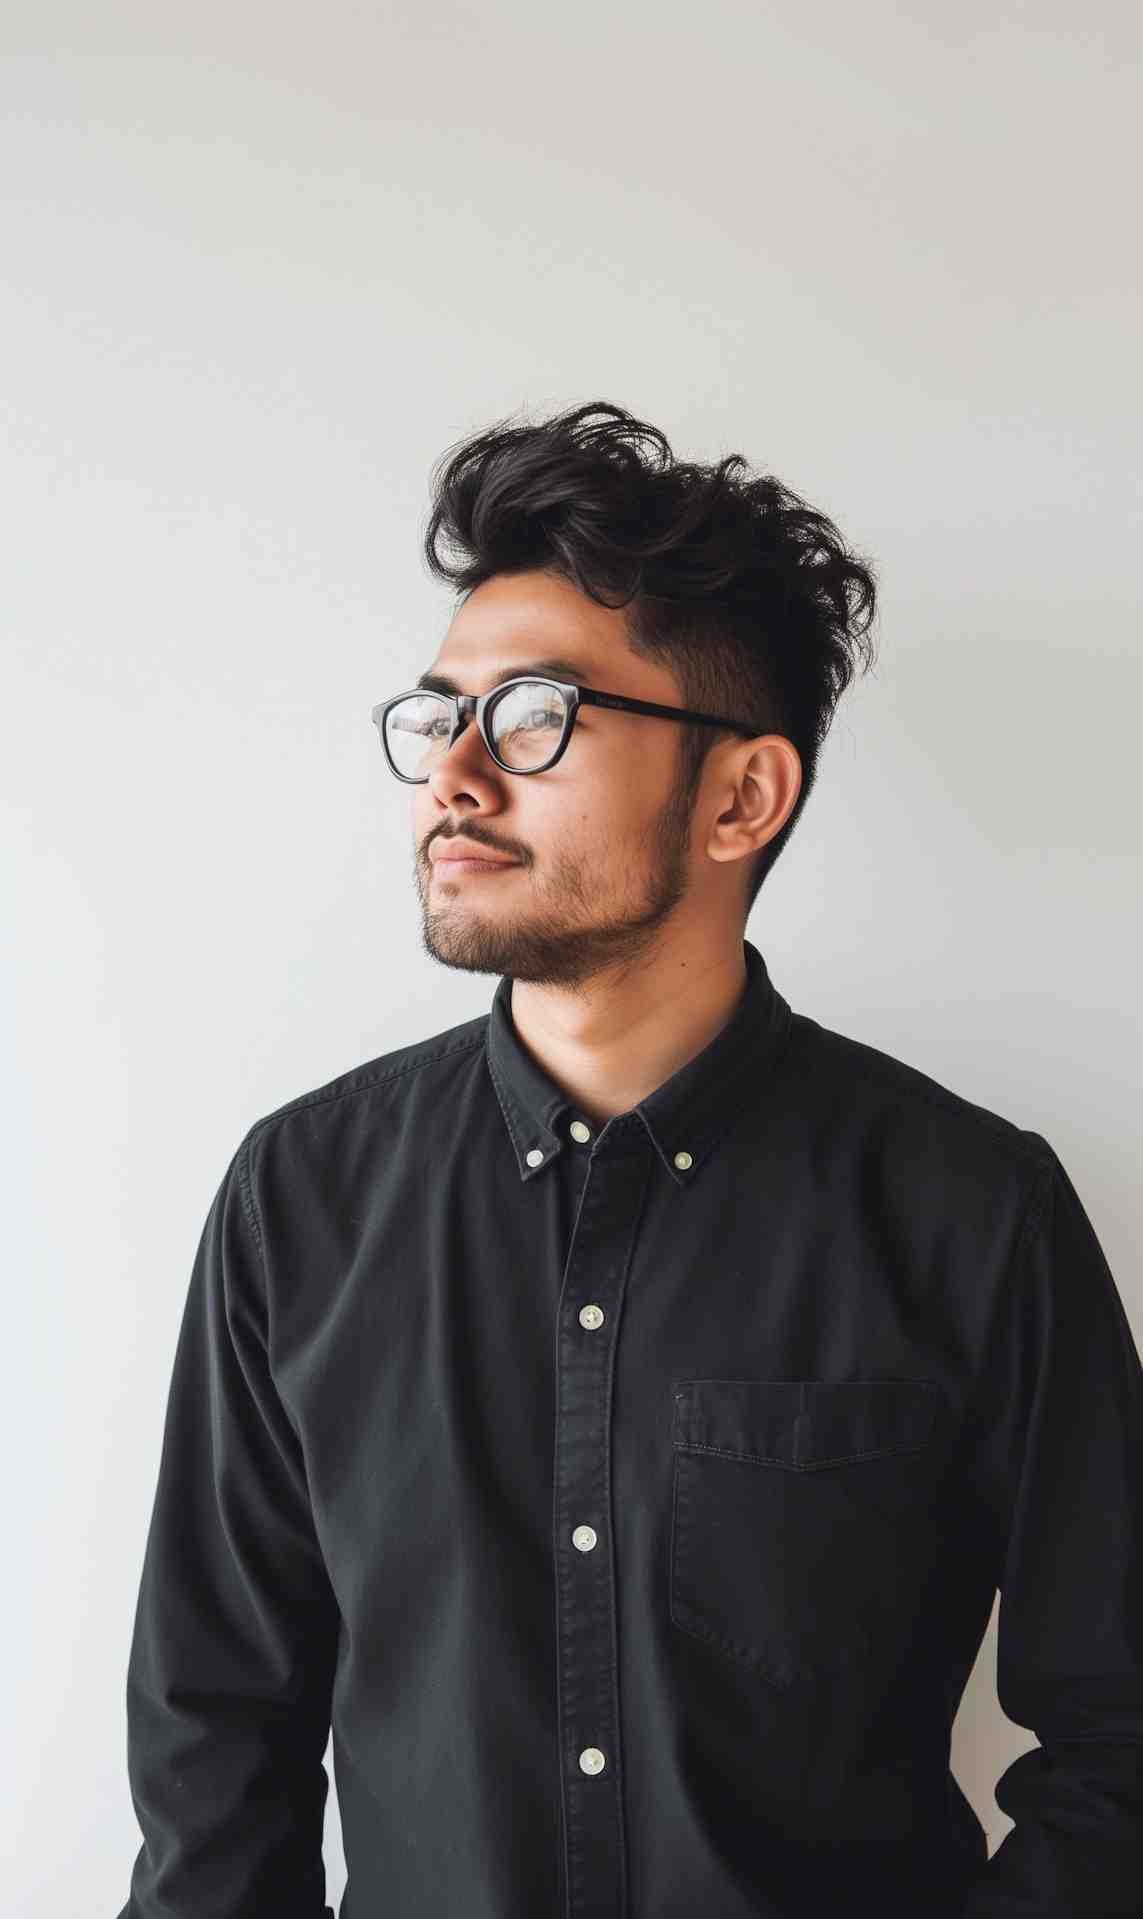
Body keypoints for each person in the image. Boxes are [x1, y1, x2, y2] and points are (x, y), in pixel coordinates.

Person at [116, 401, 1143, 1918]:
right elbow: (215, 1749)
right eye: (440, 717)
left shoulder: (972, 1212)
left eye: (534, 715)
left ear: (741, 796)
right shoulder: (303, 1198)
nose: (456, 778)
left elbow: (1120, 1746)